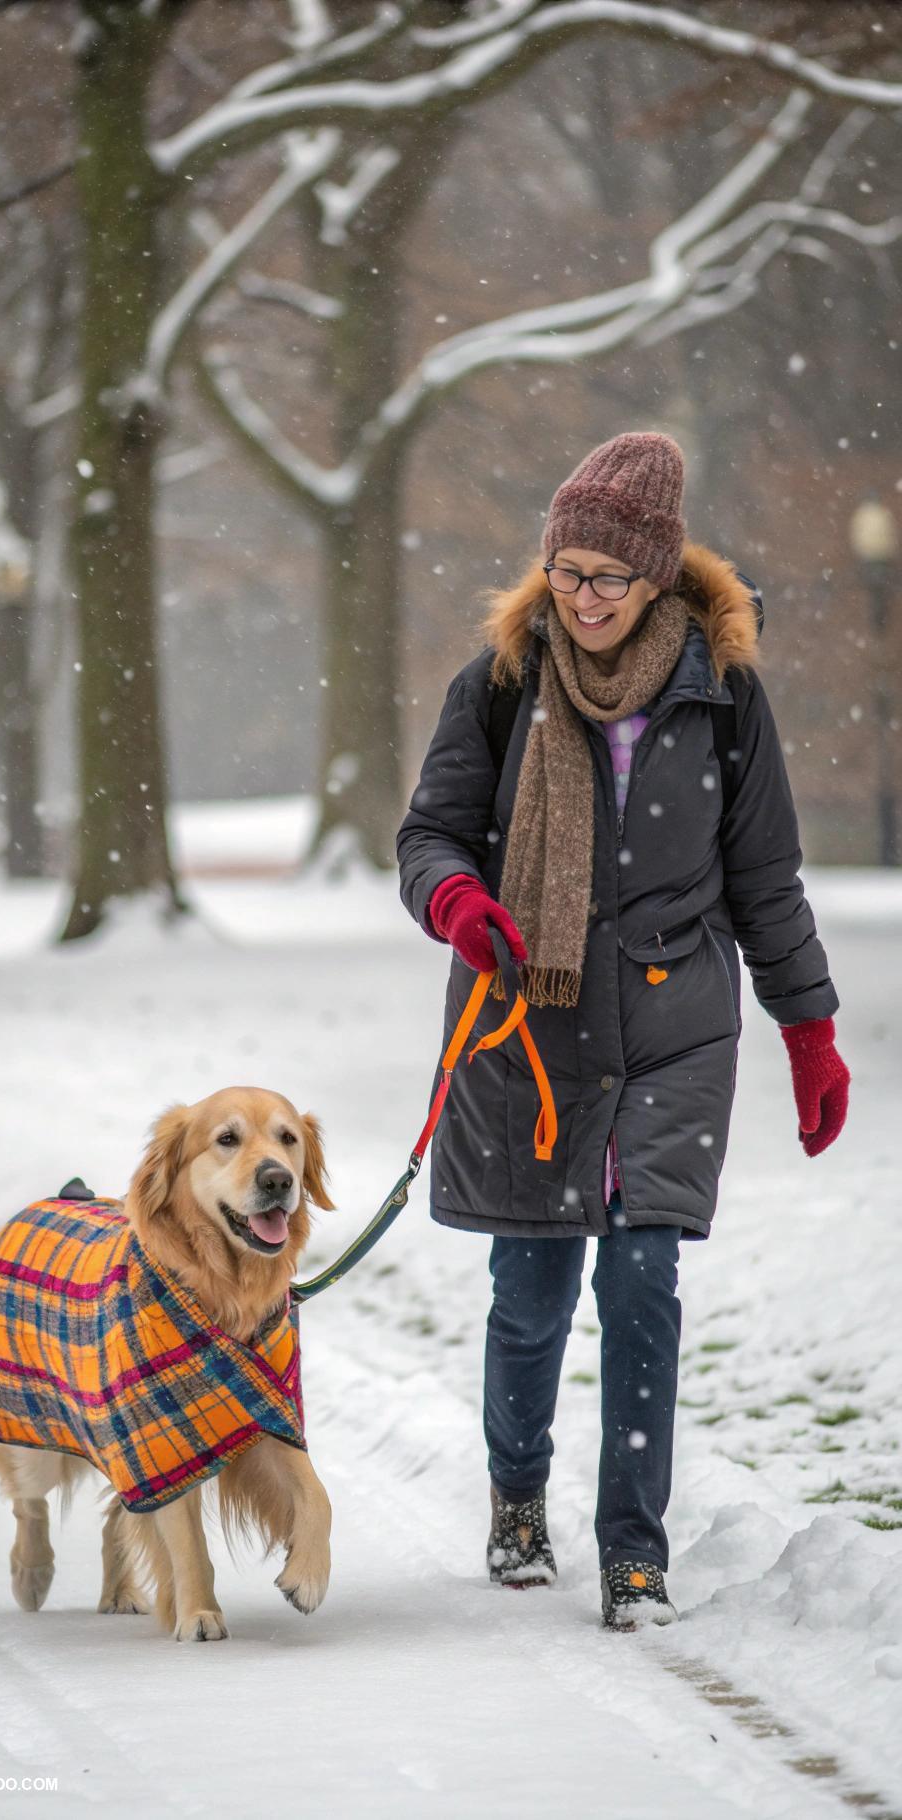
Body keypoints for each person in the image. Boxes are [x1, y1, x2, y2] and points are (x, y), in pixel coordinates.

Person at [397, 432, 849, 1630]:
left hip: (673, 1029)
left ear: (657, 576)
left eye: (608, 575)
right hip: (527, 1022)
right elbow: (428, 833)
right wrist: (457, 898)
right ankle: (515, 1497)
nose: (581, 596)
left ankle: (633, 1552)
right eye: (566, 570)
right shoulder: (498, 683)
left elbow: (765, 879)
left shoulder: (720, 695)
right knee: (531, 1289)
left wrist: (808, 1027)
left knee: (642, 1279)